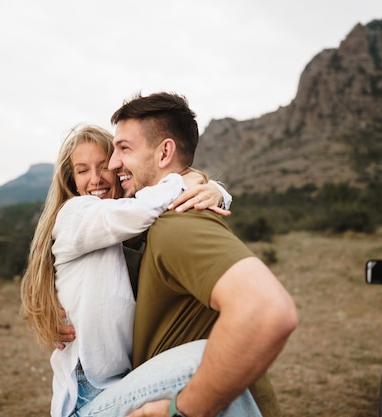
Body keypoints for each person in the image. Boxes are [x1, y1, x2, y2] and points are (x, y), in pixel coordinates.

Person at [105, 92, 299, 417]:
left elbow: (267, 310)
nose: (113, 164)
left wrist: (184, 410)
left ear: (165, 151)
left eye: (124, 148)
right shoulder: (161, 215)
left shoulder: (180, 222)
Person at [19, 124, 235, 416]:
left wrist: (215, 191)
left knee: (224, 377)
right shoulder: (76, 214)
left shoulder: (124, 224)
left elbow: (148, 207)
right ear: (71, 179)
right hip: (88, 395)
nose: (95, 179)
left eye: (102, 166)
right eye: (82, 170)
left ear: (118, 168)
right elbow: (142, 210)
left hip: (123, 382)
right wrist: (191, 178)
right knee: (212, 362)